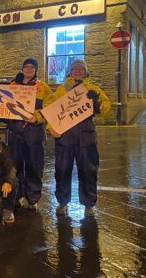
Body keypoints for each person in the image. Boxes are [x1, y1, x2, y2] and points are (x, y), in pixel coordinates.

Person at [48, 60, 111, 217]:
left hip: (85, 133)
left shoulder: (93, 88)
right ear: (70, 71)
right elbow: (53, 110)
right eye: (74, 69)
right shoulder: (62, 89)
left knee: (88, 170)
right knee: (62, 169)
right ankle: (63, 203)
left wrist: (96, 101)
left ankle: (88, 204)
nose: (77, 71)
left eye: (80, 69)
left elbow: (105, 108)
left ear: (85, 71)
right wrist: (50, 128)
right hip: (65, 135)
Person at [8, 58, 54, 210]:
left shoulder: (43, 88)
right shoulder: (12, 85)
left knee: (34, 165)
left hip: (34, 132)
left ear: (36, 70)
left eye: (32, 67)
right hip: (16, 131)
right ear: (22, 68)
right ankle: (16, 196)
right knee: (15, 165)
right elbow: (3, 104)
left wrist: (37, 117)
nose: (28, 69)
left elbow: (50, 107)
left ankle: (32, 198)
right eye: (26, 67)